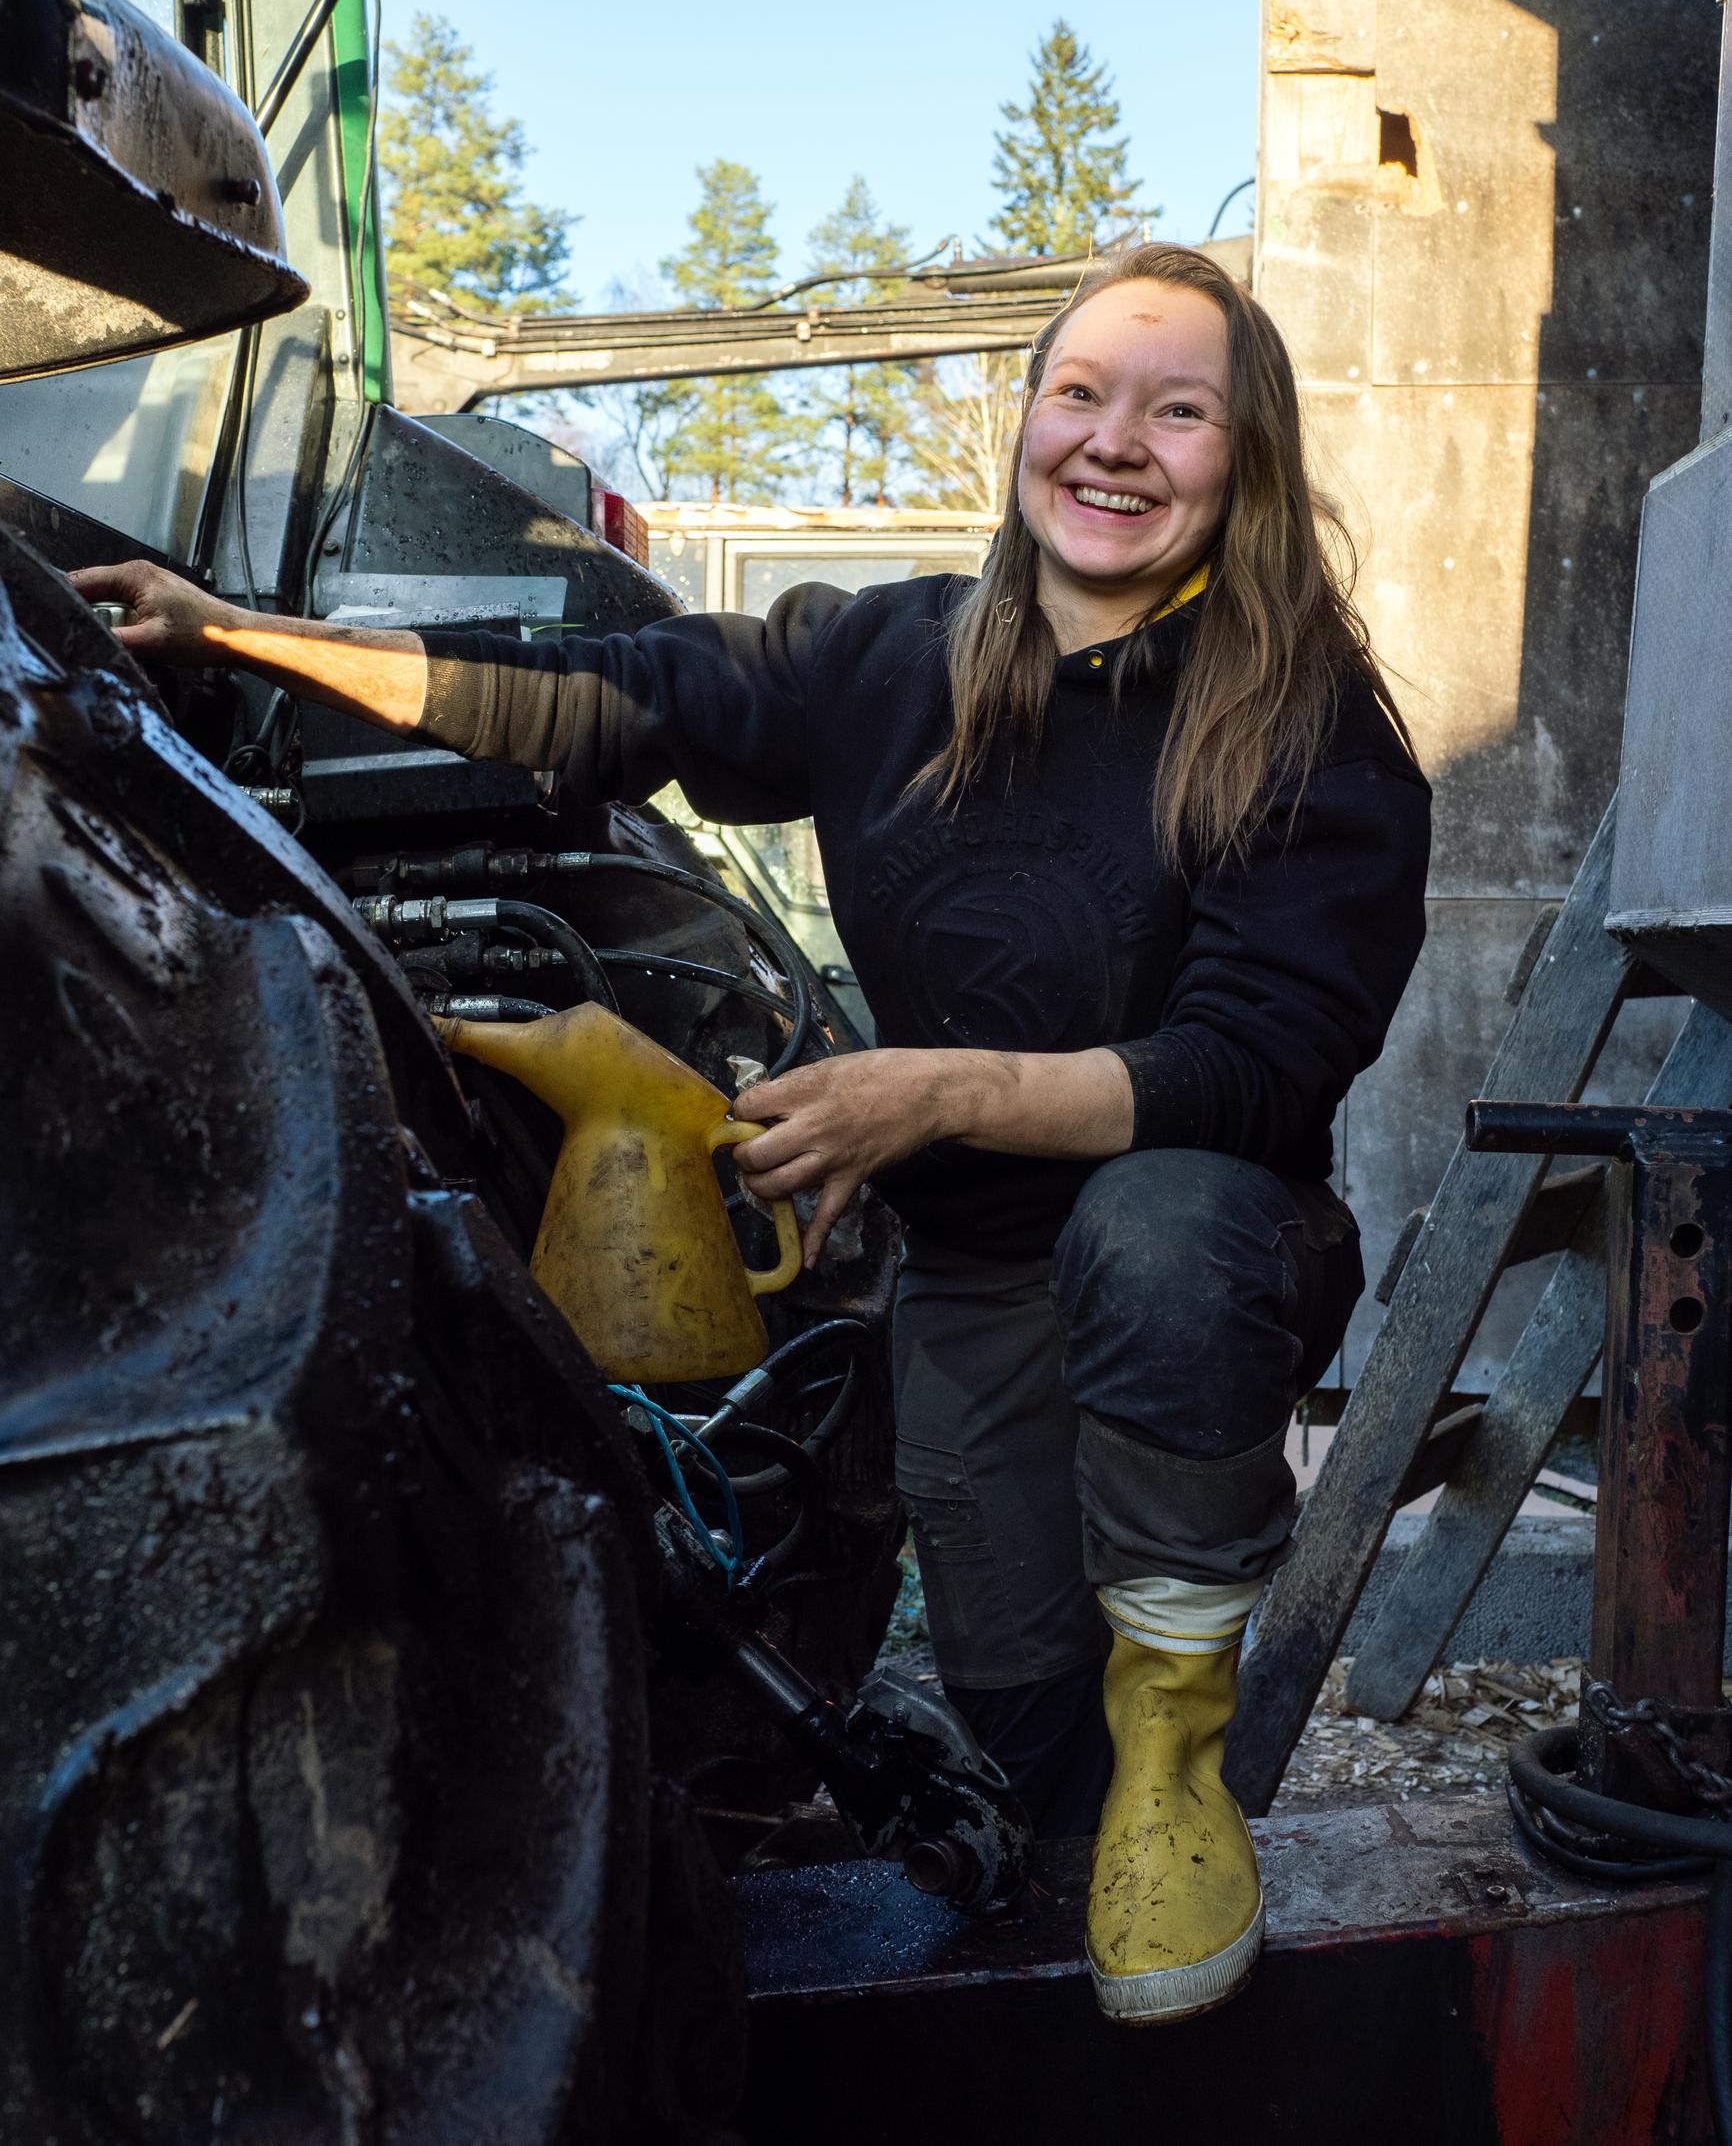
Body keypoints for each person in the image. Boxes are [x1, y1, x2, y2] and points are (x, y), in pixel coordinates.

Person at [70, 241, 1430, 2025]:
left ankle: (1184, 1748)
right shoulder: (893, 660)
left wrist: (921, 1088)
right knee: (1026, 1735)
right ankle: (1119, 1915)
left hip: (1204, 1254)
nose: (1117, 443)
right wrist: (251, 635)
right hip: (973, 1278)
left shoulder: (1309, 729)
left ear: (1244, 463)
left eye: (1182, 411)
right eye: (1079, 394)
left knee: (1156, 1229)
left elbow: (1247, 1074)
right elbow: (613, 695)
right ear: (1025, 424)